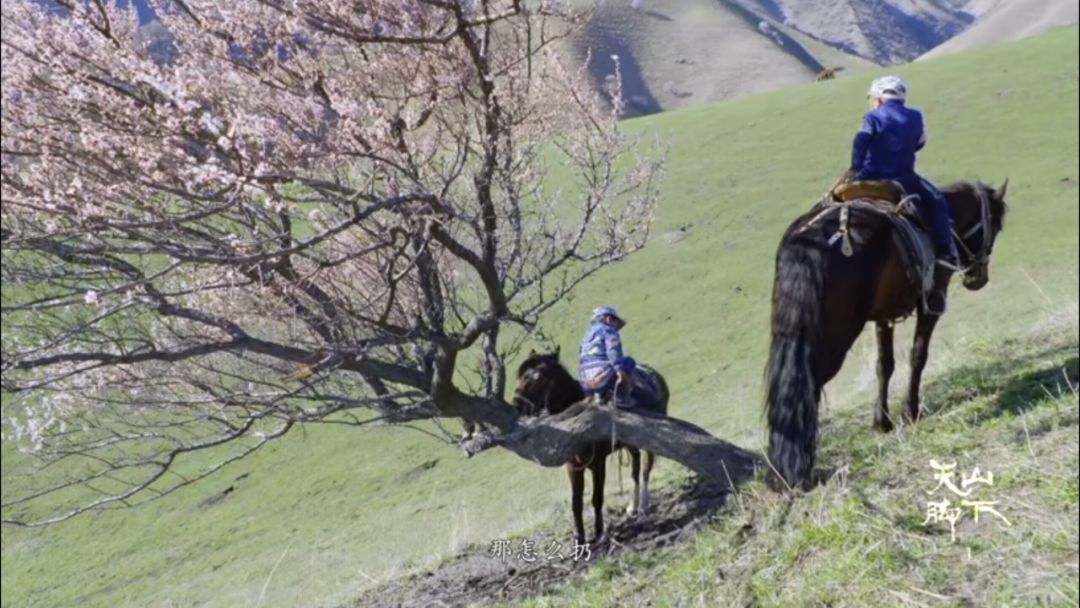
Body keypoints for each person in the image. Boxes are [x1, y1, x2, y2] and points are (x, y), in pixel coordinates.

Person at [849, 75, 960, 271]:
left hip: (869, 176)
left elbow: (860, 143)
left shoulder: (871, 118)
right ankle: (945, 251)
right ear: (902, 99)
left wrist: (855, 168)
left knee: (830, 198)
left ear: (879, 99)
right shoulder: (916, 116)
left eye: (872, 99)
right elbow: (919, 143)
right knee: (937, 201)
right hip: (905, 180)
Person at [579, 306, 636, 405]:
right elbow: (613, 350)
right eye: (615, 321)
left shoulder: (586, 337)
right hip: (602, 371)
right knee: (629, 361)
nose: (615, 326)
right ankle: (621, 395)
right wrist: (619, 370)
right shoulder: (607, 330)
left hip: (585, 377)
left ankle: (599, 394)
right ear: (608, 319)